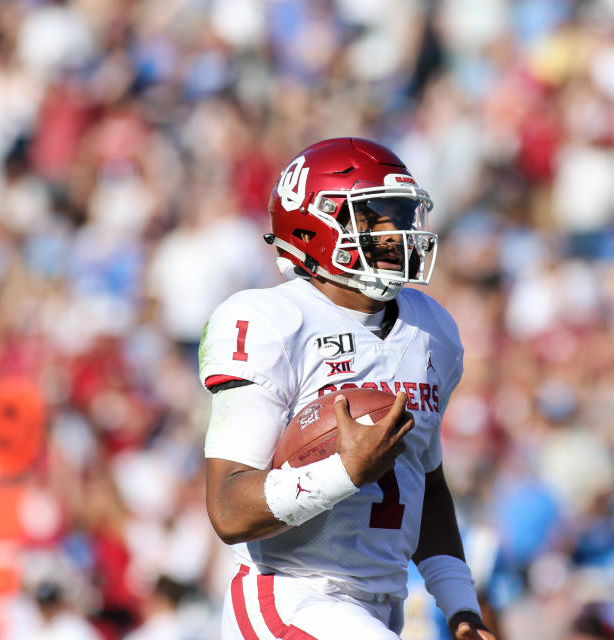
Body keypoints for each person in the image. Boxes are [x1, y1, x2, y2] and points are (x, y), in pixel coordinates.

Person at [198, 138, 496, 639]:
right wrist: (344, 471)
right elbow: (228, 508)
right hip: (290, 593)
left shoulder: (431, 330)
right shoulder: (271, 321)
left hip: (381, 605)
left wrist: (462, 611)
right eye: (376, 216)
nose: (397, 233)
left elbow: (428, 486)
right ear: (314, 223)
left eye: (402, 215)